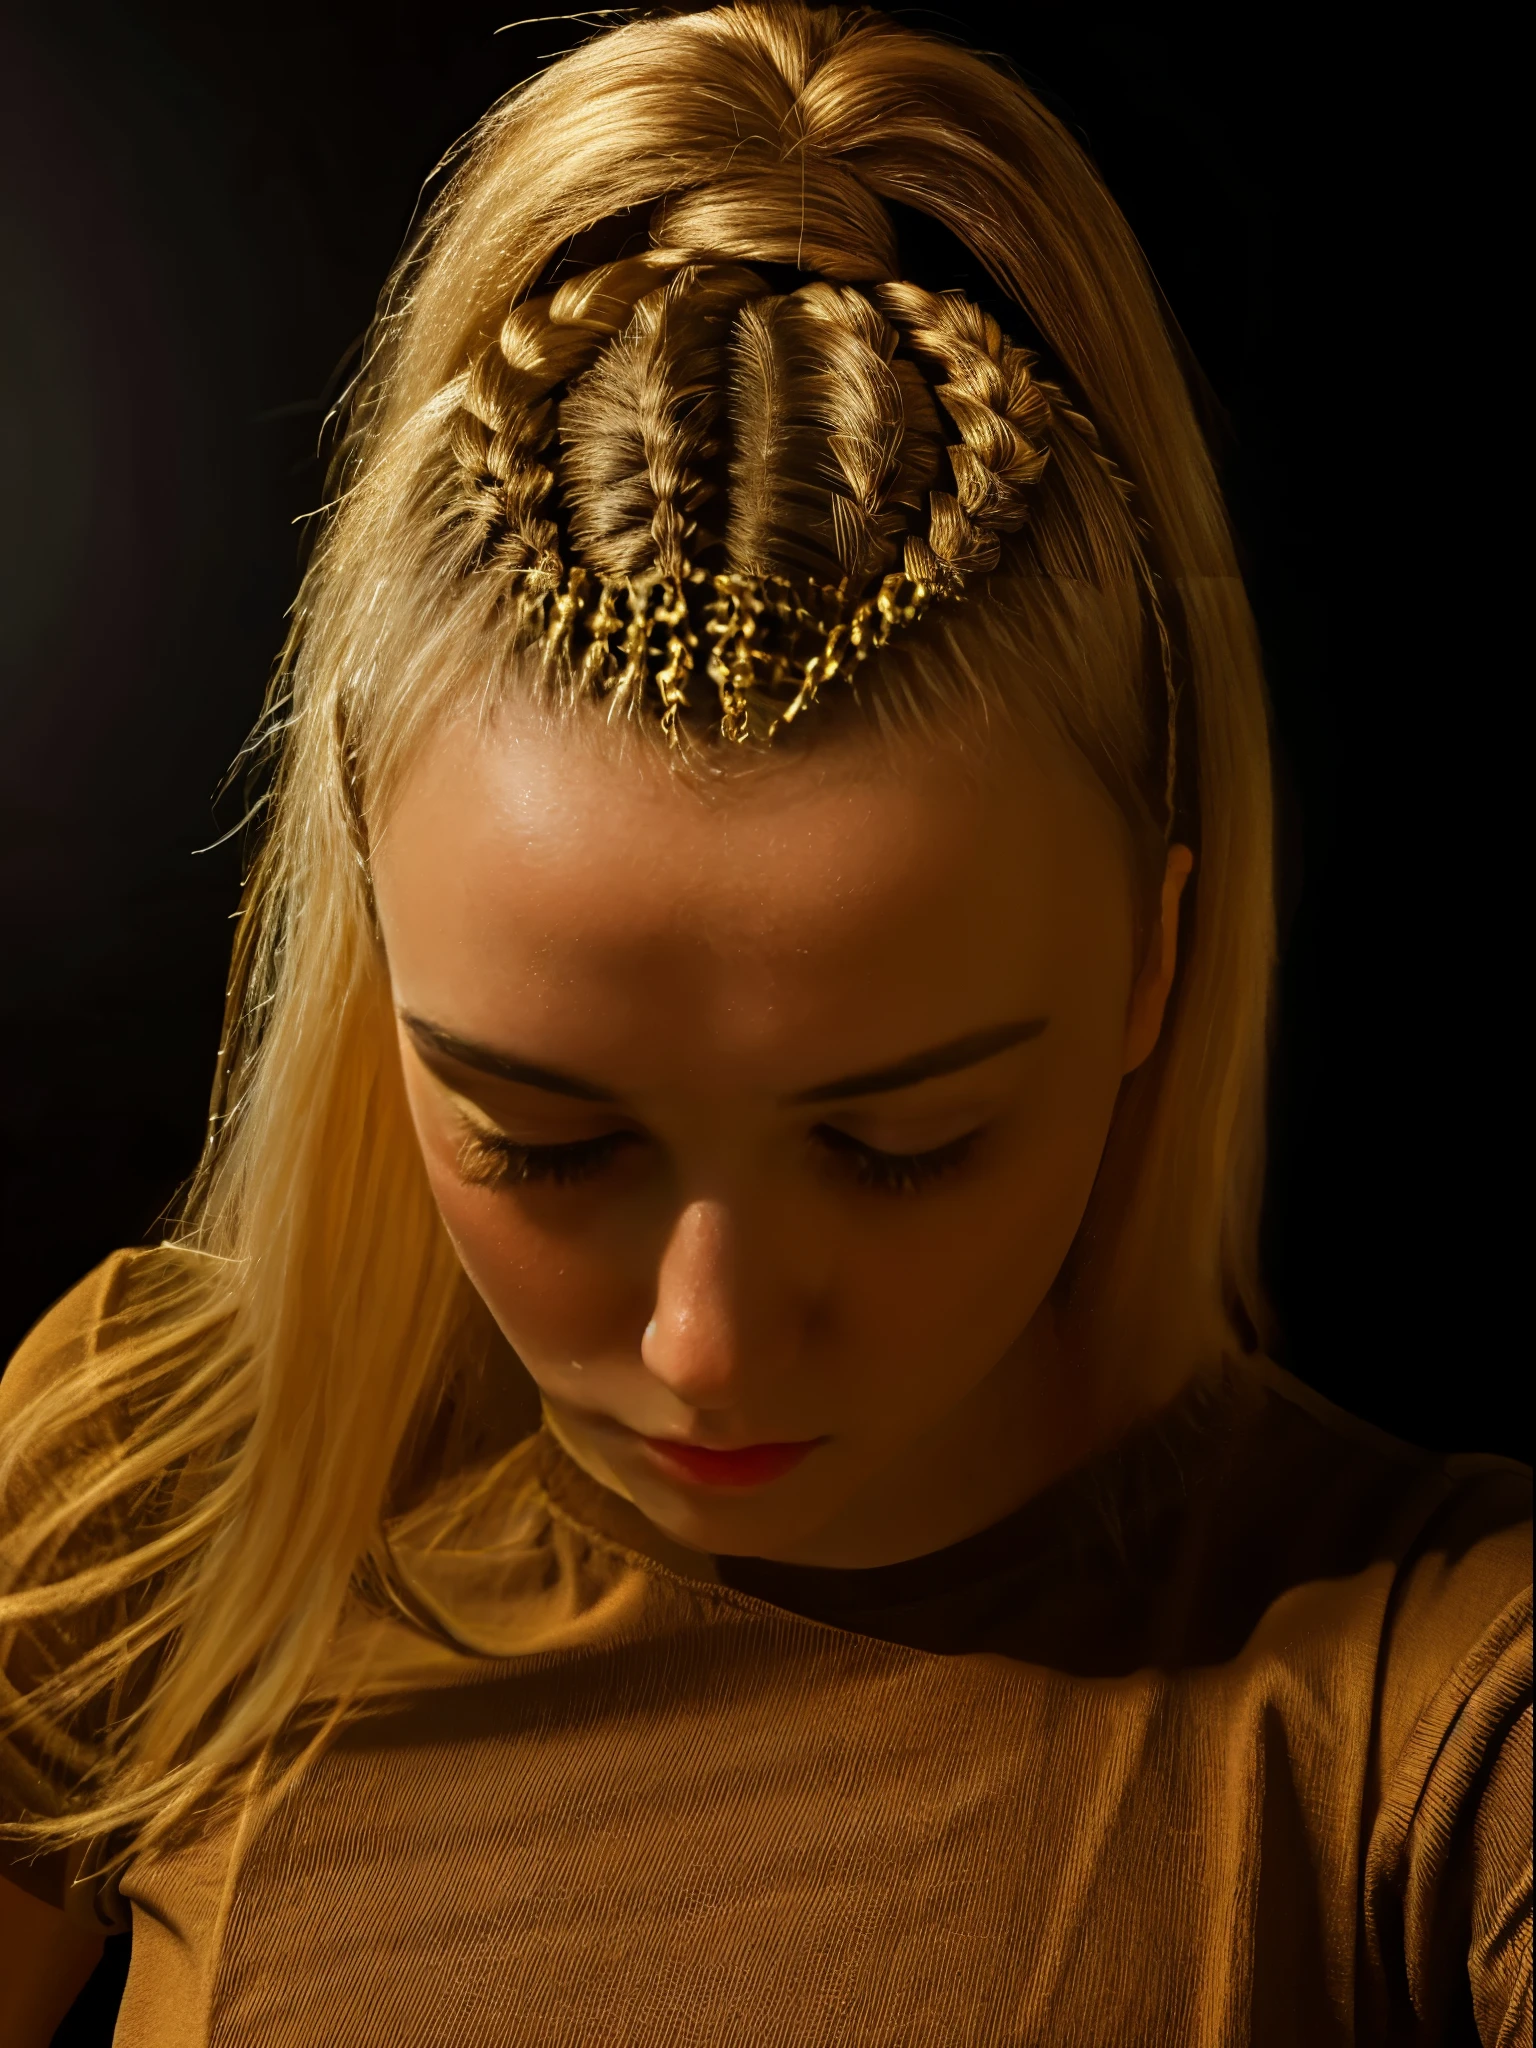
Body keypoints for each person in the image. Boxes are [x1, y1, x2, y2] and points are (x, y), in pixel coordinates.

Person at [1, 4, 1529, 2042]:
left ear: (1163, 956)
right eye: (544, 1137)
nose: (702, 1344)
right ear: (374, 950)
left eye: (903, 1142)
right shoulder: (149, 1491)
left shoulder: (1436, 1704)